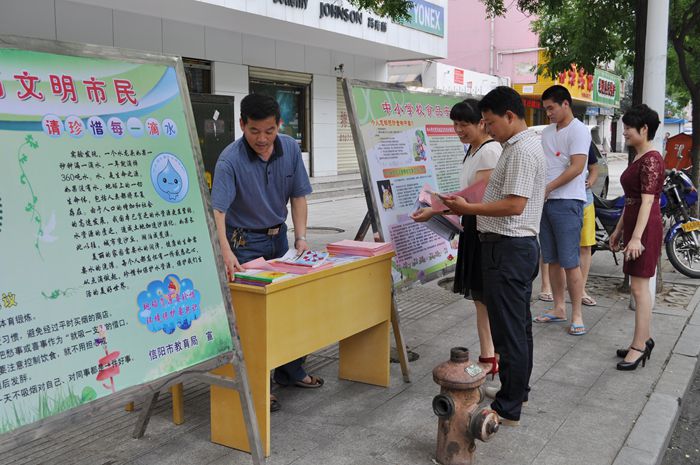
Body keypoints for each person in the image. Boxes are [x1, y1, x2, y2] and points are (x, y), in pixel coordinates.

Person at [210, 93, 324, 411]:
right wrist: (225, 252)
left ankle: (290, 371)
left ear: (279, 125)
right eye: (255, 131)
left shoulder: (288, 148)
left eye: (269, 131)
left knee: (289, 307)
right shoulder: (229, 160)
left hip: (280, 240)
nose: (263, 139)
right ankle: (257, 384)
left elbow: (299, 196)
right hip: (244, 243)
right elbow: (217, 211)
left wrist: (301, 238)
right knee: (255, 317)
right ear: (242, 125)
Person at [442, 86, 546, 426]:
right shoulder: (520, 146)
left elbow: (515, 204)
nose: (488, 129)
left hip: (508, 247)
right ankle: (519, 390)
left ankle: (508, 404)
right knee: (518, 326)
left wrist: (470, 208)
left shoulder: (519, 151)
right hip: (515, 246)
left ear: (510, 117)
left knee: (509, 330)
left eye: (490, 122)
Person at [410, 99, 502, 378]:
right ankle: (488, 356)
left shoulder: (489, 151)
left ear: (481, 123)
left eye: (465, 124)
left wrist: (441, 207)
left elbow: (481, 196)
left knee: (487, 297)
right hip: (473, 225)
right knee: (480, 299)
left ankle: (493, 357)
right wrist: (439, 206)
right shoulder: (473, 150)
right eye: (456, 124)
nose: (459, 129)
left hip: (484, 228)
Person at [533, 85, 591, 336]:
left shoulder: (579, 131)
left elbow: (577, 167)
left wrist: (549, 188)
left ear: (565, 104)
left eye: (551, 108)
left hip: (568, 201)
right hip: (546, 202)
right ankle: (559, 308)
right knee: (552, 260)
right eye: (546, 109)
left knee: (570, 262)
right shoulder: (546, 132)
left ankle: (576, 313)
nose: (548, 113)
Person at [610, 104, 663, 371]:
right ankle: (644, 339)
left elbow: (647, 202)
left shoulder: (652, 159)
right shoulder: (640, 156)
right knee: (637, 287)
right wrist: (620, 230)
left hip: (645, 228)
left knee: (640, 289)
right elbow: (631, 201)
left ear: (644, 129)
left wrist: (636, 238)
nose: (625, 132)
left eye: (629, 128)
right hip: (634, 225)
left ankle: (639, 347)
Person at [580, 144, 600, 306]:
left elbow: (594, 167)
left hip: (585, 200)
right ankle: (550, 288)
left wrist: (590, 181)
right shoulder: (551, 137)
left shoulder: (584, 140)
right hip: (559, 199)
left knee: (585, 246)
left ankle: (580, 289)